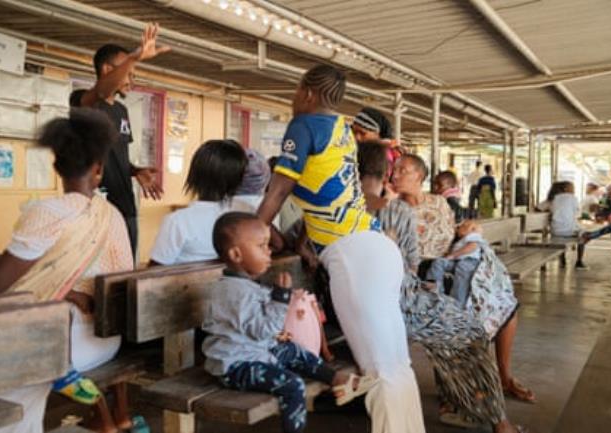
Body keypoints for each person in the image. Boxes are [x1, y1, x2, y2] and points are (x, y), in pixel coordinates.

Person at [257, 64, 425, 433]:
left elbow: (280, 188)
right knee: (397, 365)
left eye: (296, 90)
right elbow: (328, 190)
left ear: (308, 92)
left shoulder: (302, 125)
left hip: (353, 258)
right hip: (378, 248)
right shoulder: (342, 130)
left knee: (379, 372)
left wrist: (253, 232)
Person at [0, 109, 135, 433]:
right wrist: (67, 290)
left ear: (56, 167)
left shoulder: (47, 211)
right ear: (99, 169)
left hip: (58, 344)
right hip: (106, 340)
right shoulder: (113, 215)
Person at [363, 150, 527, 433]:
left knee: (499, 305)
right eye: (393, 170)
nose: (396, 174)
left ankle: (482, 397)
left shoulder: (437, 203)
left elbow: (452, 233)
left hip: (441, 274)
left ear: (420, 176)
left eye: (403, 170)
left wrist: (469, 234)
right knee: (467, 335)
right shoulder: (392, 209)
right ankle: (492, 417)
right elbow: (405, 263)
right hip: (419, 286)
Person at [203, 212, 374, 433]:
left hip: (256, 352)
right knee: (293, 386)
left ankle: (335, 379)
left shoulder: (244, 285)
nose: (269, 250)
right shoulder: (233, 292)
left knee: (292, 350)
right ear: (236, 254)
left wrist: (281, 298)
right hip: (237, 366)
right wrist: (281, 298)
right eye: (261, 245)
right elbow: (264, 330)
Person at [71, 23, 169, 256]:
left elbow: (118, 157)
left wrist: (136, 171)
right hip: (98, 206)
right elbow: (101, 92)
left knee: (125, 272)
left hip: (126, 207)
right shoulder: (83, 102)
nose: (130, 79)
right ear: (107, 70)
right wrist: (135, 56)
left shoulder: (123, 111)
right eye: (127, 72)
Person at [149, 140, 256, 265]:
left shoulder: (178, 221)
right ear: (238, 179)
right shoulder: (246, 214)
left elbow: (154, 271)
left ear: (193, 175)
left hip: (188, 284)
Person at [427, 220, 485, 306]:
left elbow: (472, 247)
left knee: (462, 278)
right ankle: (435, 283)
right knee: (439, 262)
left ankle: (457, 302)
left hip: (469, 261)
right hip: (456, 261)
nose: (458, 228)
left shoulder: (473, 236)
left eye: (462, 226)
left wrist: (453, 255)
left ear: (472, 229)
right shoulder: (461, 240)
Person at [538, 181, 587, 269]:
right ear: (565, 189)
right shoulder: (572, 198)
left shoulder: (551, 199)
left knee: (561, 233)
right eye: (572, 187)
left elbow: (538, 208)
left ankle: (563, 259)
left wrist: (550, 212)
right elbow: (578, 214)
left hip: (555, 231)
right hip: (569, 231)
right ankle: (579, 261)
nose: (574, 190)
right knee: (583, 235)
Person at [351, 107, 402, 178]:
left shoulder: (383, 156)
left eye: (362, 133)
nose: (356, 137)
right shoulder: (356, 149)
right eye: (354, 132)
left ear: (378, 135)